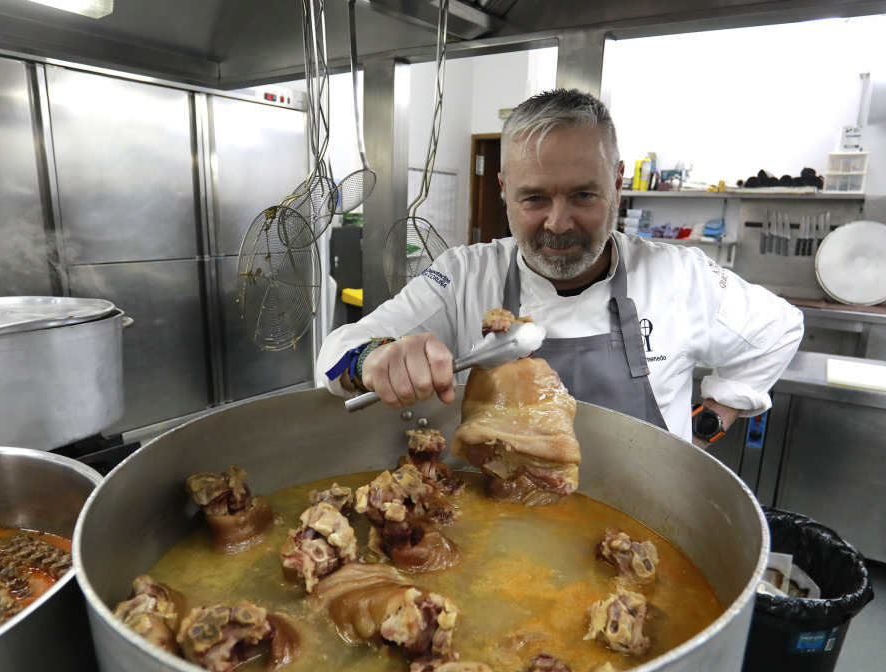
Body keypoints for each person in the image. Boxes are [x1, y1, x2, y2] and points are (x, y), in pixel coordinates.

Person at [317, 89, 803, 447]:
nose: (558, 222)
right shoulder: (465, 276)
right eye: (534, 198)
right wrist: (375, 360)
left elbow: (780, 329)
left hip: (641, 521)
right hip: (493, 519)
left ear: (616, 184)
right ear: (505, 190)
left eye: (583, 195)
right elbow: (336, 356)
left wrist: (711, 419)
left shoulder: (679, 276)